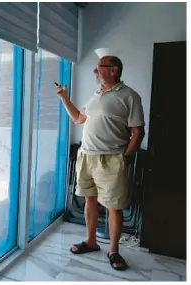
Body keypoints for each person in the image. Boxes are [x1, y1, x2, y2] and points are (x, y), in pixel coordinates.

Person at [56, 55, 145, 271]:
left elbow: (138, 131)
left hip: (111, 159)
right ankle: (91, 241)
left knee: (114, 207)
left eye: (98, 68)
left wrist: (124, 156)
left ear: (113, 70)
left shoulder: (129, 96)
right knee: (90, 201)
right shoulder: (96, 95)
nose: (95, 72)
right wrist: (63, 98)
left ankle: (113, 251)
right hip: (87, 156)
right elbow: (78, 118)